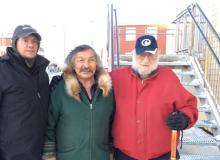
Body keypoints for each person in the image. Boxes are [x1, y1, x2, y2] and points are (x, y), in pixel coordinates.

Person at [110, 34, 198, 160]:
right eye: (141, 55)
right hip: (125, 155)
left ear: (158, 54)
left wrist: (185, 118)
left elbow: (189, 105)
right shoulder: (115, 78)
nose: (146, 60)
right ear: (134, 54)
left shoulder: (169, 77)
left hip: (162, 155)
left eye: (150, 55)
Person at [43, 44, 115, 160]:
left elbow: (111, 124)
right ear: (73, 65)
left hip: (100, 155)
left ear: (96, 64)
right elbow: (49, 125)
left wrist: (110, 152)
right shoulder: (61, 90)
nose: (86, 65)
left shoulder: (107, 91)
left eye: (91, 60)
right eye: (81, 60)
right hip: (69, 156)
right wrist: (49, 155)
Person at [0, 25, 50, 160]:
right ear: (15, 42)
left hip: (37, 151)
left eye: (34, 41)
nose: (30, 45)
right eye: (25, 40)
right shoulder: (3, 69)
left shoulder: (42, 74)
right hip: (10, 154)